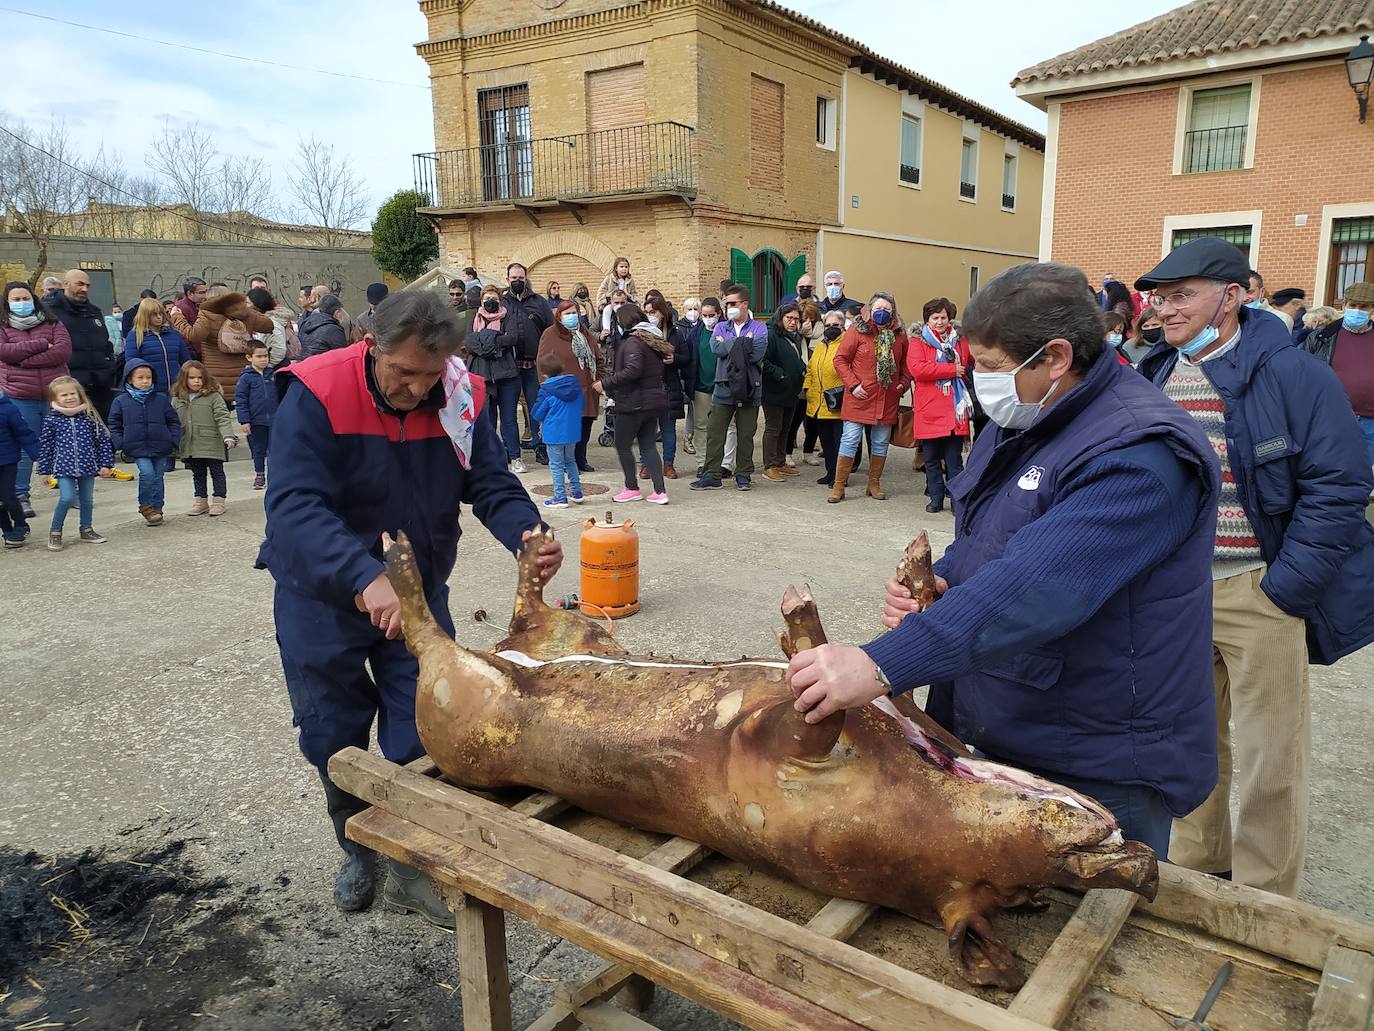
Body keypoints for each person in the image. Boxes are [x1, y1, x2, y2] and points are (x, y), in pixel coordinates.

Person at [788, 262, 1223, 856]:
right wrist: (947, 582)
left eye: (991, 367)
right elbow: (992, 537)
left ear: (1057, 357)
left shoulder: (1141, 455)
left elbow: (1037, 584)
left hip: (1094, 753)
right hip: (998, 715)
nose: (981, 381)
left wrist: (883, 663)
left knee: (1088, 918)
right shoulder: (1025, 415)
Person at [257, 289, 559, 924]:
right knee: (331, 732)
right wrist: (364, 576)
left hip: (419, 595)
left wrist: (525, 533)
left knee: (422, 724)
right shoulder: (317, 391)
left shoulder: (460, 394)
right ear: (372, 346)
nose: (418, 391)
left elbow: (490, 481)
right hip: (323, 597)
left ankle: (409, 862)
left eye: (430, 375)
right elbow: (293, 507)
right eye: (403, 374)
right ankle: (355, 847)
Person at [1135, 240, 1374, 896]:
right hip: (1175, 594)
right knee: (1189, 743)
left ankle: (1266, 897)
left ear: (1231, 295)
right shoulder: (1154, 371)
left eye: (1182, 294)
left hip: (1257, 588)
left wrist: (1285, 587)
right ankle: (1197, 865)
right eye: (1159, 296)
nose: (1164, 308)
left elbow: (1339, 485)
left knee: (1272, 759)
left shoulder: (1294, 374)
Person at [829, 293, 911, 503]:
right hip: (859, 397)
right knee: (849, 439)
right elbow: (840, 360)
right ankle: (839, 486)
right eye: (878, 308)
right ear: (870, 310)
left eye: (886, 308)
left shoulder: (900, 335)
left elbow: (906, 365)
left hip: (887, 398)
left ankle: (873, 484)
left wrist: (902, 385)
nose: (882, 312)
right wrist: (853, 385)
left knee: (881, 442)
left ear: (893, 311)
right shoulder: (857, 331)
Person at [1, 281, 72, 519]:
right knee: (23, 447)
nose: (22, 303)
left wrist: (22, 360)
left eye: (25, 298)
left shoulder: (52, 322)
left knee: (65, 444)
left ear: (34, 298)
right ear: (7, 303)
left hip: (56, 394)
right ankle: (21, 496)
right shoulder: (2, 326)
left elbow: (62, 351)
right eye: (16, 299)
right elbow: (4, 353)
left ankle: (70, 493)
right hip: (20, 395)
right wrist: (42, 344)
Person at [692, 285, 766, 491]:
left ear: (744, 304)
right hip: (723, 387)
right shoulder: (720, 327)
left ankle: (743, 474)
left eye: (732, 303)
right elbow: (716, 348)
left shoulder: (760, 328)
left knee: (745, 434)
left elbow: (757, 353)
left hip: (750, 387)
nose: (728, 307)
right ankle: (711, 475)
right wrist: (743, 344)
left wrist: (729, 344)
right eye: (726, 304)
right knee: (715, 432)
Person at [595, 302, 670, 505]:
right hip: (652, 401)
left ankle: (631, 487)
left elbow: (633, 370)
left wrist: (605, 383)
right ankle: (660, 491)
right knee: (648, 446)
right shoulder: (652, 339)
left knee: (623, 445)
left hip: (633, 402)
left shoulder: (633, 342)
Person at [1301, 281, 1374, 472]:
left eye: (1363, 306)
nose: (1357, 310)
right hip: (1331, 418)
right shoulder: (1321, 337)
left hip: (1370, 423)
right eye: (1353, 305)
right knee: (1328, 471)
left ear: (1372, 309)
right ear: (1344, 306)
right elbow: (1302, 376)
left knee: (1362, 475)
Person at [36, 375, 115, 551]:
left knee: (87, 500)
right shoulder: (52, 420)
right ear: (55, 399)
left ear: (80, 395)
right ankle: (55, 531)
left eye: (73, 393)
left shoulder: (89, 417)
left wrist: (106, 464)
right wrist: (44, 470)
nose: (70, 397)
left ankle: (86, 529)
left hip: (88, 466)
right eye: (64, 395)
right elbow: (46, 446)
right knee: (67, 497)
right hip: (64, 468)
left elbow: (102, 442)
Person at [909, 297, 972, 513]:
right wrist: (951, 370)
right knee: (931, 460)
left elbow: (971, 362)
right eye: (935, 317)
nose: (939, 321)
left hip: (954, 410)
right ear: (927, 319)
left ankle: (957, 501)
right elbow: (917, 369)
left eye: (943, 317)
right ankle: (936, 498)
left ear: (949, 318)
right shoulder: (918, 341)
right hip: (929, 408)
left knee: (954, 461)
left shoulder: (960, 341)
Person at [108, 359, 180, 526]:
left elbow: (173, 421)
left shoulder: (161, 399)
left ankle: (158, 507)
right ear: (130, 379)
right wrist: (121, 442)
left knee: (158, 476)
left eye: (148, 377)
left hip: (161, 445)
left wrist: (173, 439)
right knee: (147, 474)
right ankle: (146, 505)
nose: (145, 381)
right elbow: (114, 424)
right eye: (140, 377)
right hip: (137, 447)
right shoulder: (121, 401)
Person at [537, 300, 604, 474]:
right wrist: (547, 387)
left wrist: (600, 380)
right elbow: (542, 363)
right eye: (567, 314)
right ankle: (569, 462)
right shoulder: (550, 334)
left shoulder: (585, 333)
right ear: (559, 316)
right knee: (568, 428)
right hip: (563, 391)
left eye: (574, 313)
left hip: (588, 388)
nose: (572, 317)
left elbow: (598, 359)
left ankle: (581, 460)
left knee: (585, 425)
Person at [172, 361, 238, 517]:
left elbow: (222, 417)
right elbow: (173, 421)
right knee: (198, 473)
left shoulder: (213, 396)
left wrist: (228, 436)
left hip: (212, 441)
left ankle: (218, 501)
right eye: (192, 378)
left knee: (217, 472)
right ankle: (201, 501)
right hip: (190, 444)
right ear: (184, 379)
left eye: (200, 377)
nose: (196, 381)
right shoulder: (177, 399)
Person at [502, 263, 553, 465]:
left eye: (520, 278)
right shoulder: (502, 303)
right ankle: (512, 452)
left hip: (533, 366)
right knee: (508, 413)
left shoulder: (539, 302)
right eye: (513, 278)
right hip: (510, 366)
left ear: (526, 278)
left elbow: (550, 331)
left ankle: (540, 447)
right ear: (507, 279)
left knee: (536, 409)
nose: (517, 281)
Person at [468, 284, 523, 471]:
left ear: (500, 300)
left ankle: (514, 456)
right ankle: (490, 457)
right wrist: (496, 340)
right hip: (482, 377)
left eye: (494, 299)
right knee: (487, 420)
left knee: (509, 419)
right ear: (481, 300)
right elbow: (469, 342)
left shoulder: (509, 317)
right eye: (487, 299)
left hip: (507, 375)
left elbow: (512, 339)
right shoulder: (472, 318)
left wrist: (485, 340)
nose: (490, 302)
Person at [49, 270, 117, 420]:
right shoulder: (50, 311)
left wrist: (109, 368)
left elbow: (106, 345)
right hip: (70, 389)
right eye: (79, 284)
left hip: (101, 386)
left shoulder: (95, 312)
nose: (84, 289)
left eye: (87, 285)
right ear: (66, 284)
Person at [688, 298, 736, 479]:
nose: (708, 319)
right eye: (705, 315)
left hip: (725, 386)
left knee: (729, 426)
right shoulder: (695, 333)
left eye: (712, 315)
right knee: (701, 426)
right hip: (701, 386)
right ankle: (703, 463)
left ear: (719, 314)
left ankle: (726, 464)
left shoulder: (728, 330)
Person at [760, 302, 807, 481]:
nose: (793, 322)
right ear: (781, 318)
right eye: (789, 318)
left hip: (791, 391)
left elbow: (795, 357)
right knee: (773, 428)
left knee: (785, 429)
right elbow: (763, 361)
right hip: (774, 391)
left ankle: (780, 462)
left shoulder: (792, 336)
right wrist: (780, 375)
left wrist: (801, 368)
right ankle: (769, 466)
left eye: (796, 319)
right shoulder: (770, 335)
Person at [531, 351, 585, 509]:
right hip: (572, 431)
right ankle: (576, 492)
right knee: (570, 461)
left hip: (553, 433)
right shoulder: (574, 385)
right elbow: (581, 406)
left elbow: (537, 412)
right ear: (562, 367)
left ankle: (560, 497)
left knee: (556, 465)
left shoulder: (546, 390)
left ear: (543, 373)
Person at [640, 293, 683, 479]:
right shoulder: (640, 333)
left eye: (653, 312)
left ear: (662, 313)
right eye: (647, 312)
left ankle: (668, 464)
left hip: (668, 387)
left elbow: (687, 357)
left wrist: (675, 359)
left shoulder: (675, 333)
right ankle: (646, 464)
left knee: (668, 429)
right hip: (647, 388)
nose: (650, 315)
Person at [803, 310, 846, 487]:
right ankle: (830, 472)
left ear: (842, 326)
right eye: (827, 325)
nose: (831, 328)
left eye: (835, 325)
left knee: (840, 444)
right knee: (827, 443)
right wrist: (807, 388)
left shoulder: (846, 344)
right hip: (819, 404)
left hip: (838, 403)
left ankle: (840, 476)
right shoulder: (821, 345)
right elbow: (811, 370)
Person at [124, 297, 191, 394]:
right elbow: (132, 365)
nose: (159, 317)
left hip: (176, 389)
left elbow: (186, 361)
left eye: (161, 313)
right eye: (154, 314)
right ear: (145, 315)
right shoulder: (135, 336)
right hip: (150, 390)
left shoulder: (174, 335)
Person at [236, 342, 277, 490]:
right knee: (258, 449)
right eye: (259, 356)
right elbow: (241, 400)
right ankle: (259, 474)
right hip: (255, 421)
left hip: (274, 420)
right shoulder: (246, 378)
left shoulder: (273, 375)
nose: (263, 359)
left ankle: (274, 475)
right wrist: (244, 420)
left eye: (265, 356)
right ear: (249, 358)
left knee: (275, 449)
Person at [0, 391, 39, 547]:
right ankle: (7, 530)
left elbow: (24, 434)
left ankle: (21, 524)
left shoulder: (9, 409)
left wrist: (38, 456)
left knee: (8, 496)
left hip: (7, 462)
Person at [790, 298, 825, 468]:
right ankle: (787, 453)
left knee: (813, 420)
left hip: (817, 383)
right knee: (794, 418)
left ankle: (808, 452)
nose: (808, 323)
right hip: (798, 382)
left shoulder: (823, 332)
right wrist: (799, 333)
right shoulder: (794, 334)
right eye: (804, 319)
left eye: (812, 319)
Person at [671, 298, 702, 458]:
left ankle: (689, 439)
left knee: (694, 409)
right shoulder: (678, 328)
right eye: (690, 309)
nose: (693, 312)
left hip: (696, 372)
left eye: (696, 308)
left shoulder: (703, 327)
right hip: (681, 372)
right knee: (677, 407)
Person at [248, 287, 296, 367]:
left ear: (257, 305)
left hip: (274, 370)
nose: (245, 306)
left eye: (248, 303)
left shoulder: (271, 323)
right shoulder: (262, 321)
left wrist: (266, 367)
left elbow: (279, 350)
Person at [174, 277, 208, 357]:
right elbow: (183, 334)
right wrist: (193, 353)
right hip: (193, 354)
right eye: (201, 293)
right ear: (190, 293)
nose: (205, 296)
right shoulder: (183, 307)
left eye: (206, 292)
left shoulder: (197, 305)